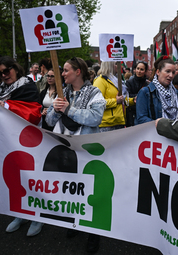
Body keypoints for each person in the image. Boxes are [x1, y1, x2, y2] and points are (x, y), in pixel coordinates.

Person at [45, 57, 106, 252]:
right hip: (65, 149)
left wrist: (69, 109)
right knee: (73, 189)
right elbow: (49, 119)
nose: (62, 74)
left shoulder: (95, 93)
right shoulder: (63, 93)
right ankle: (76, 223)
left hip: (86, 149)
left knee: (90, 191)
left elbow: (95, 118)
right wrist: (55, 110)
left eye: (65, 70)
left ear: (78, 71)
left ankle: (93, 233)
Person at [0, 56, 43, 237]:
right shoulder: (1, 89)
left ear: (15, 68)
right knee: (14, 178)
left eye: (6, 71)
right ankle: (20, 214)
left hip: (29, 142)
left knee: (32, 178)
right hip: (9, 142)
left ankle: (37, 216)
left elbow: (34, 113)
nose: (3, 75)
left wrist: (7, 106)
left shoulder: (28, 86)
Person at [136, 56, 178, 125]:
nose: (171, 75)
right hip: (154, 133)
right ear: (158, 72)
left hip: (173, 133)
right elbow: (141, 118)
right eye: (167, 71)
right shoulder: (145, 92)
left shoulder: (175, 92)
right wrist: (161, 125)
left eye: (173, 72)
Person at [93, 61, 132, 131]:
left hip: (118, 122)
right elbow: (96, 102)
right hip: (106, 124)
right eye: (116, 64)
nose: (120, 66)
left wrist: (134, 100)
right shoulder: (100, 81)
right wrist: (115, 101)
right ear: (109, 66)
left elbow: (122, 99)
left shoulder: (116, 80)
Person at [126, 61, 149, 126]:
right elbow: (127, 96)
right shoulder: (129, 82)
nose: (139, 71)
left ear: (145, 71)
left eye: (141, 69)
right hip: (132, 113)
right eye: (138, 68)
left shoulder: (148, 84)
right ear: (135, 69)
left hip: (144, 113)